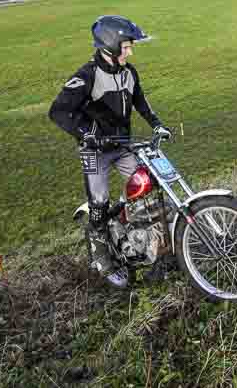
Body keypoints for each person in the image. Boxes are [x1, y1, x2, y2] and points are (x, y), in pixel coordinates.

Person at [49, 15, 171, 288]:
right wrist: (89, 135)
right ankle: (102, 258)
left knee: (145, 187)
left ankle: (144, 243)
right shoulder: (86, 76)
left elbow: (141, 100)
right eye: (126, 46)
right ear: (110, 46)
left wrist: (158, 125)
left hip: (123, 144)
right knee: (99, 202)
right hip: (95, 151)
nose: (131, 51)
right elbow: (58, 111)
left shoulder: (129, 72)